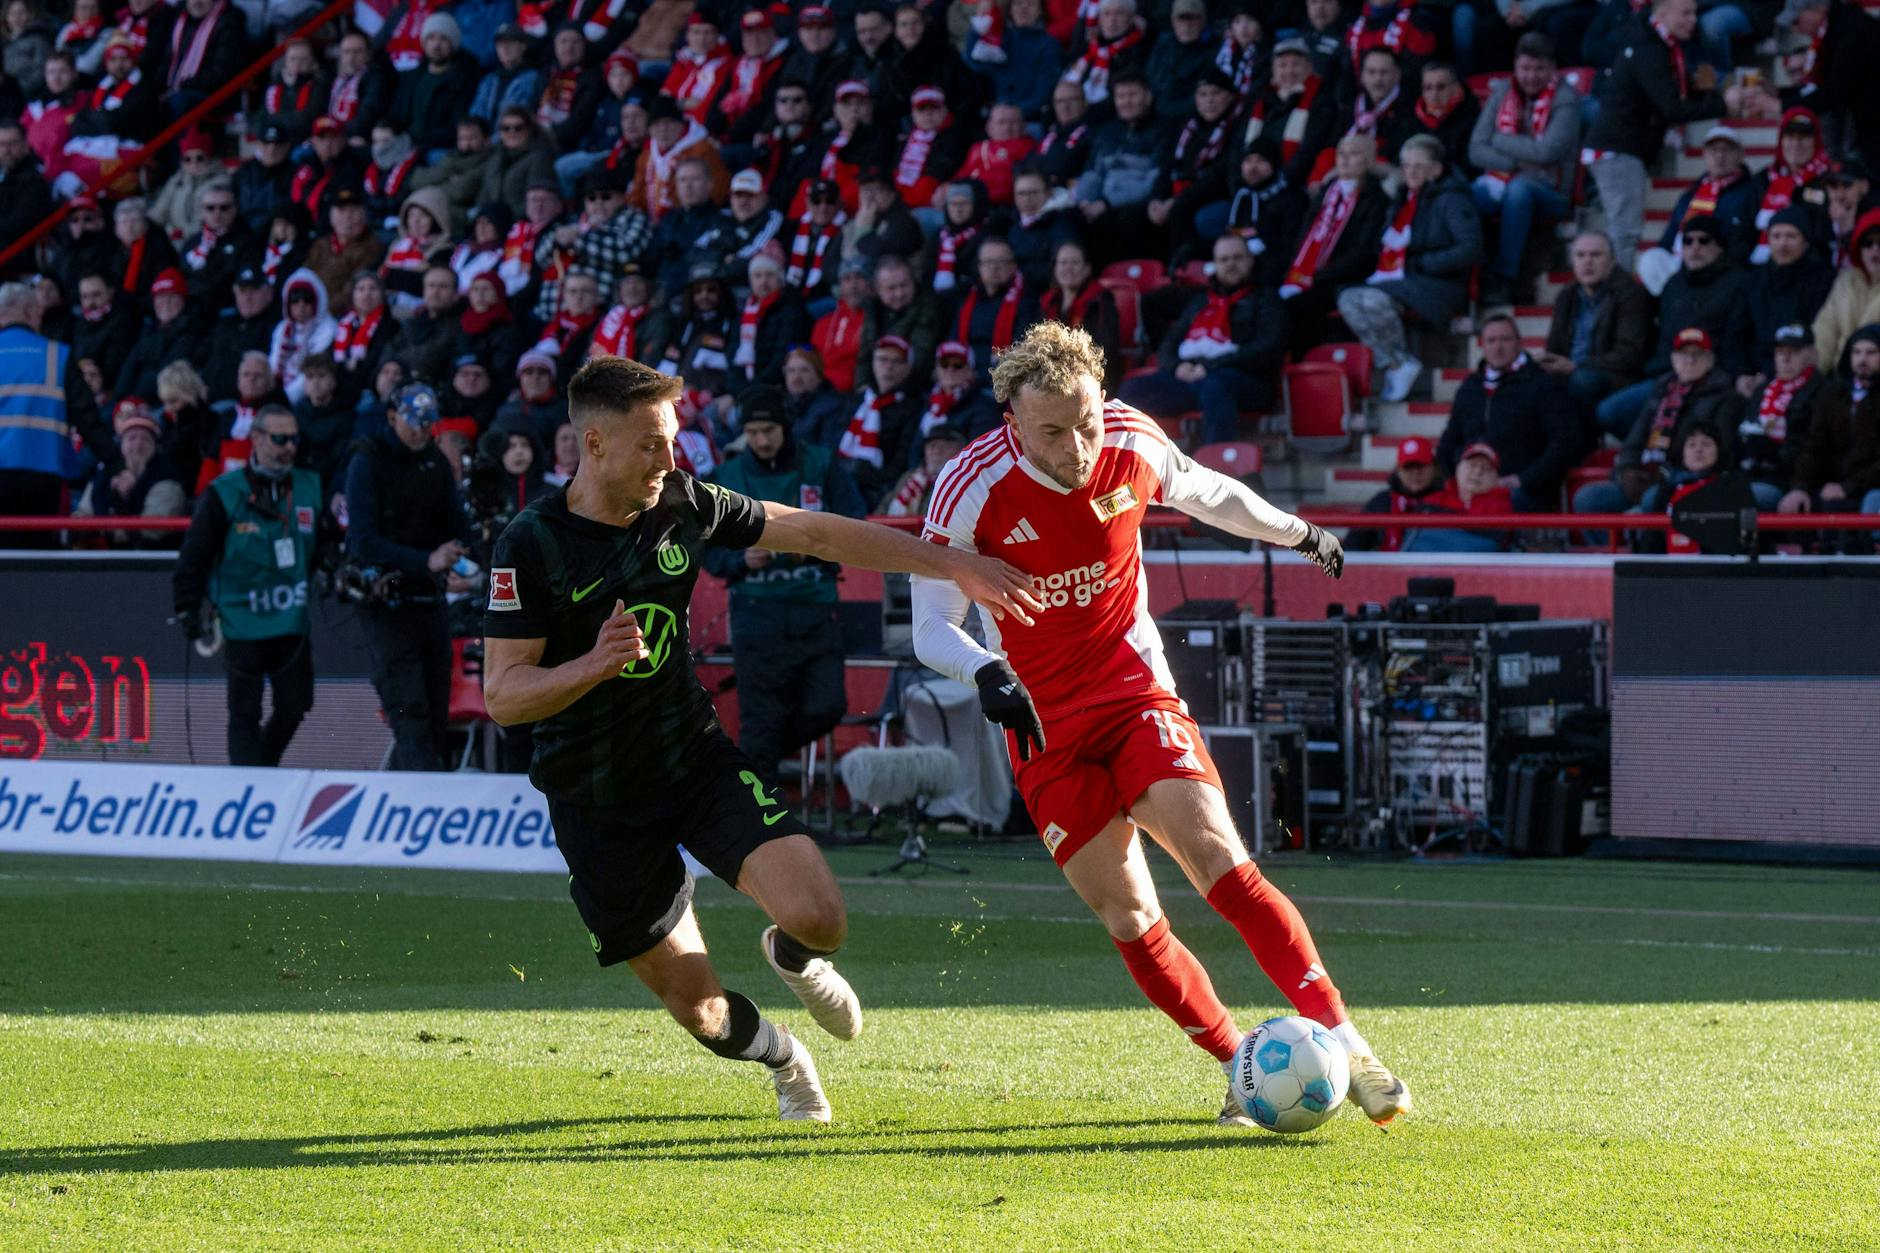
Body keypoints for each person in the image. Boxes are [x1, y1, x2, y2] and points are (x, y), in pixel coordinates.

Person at [479, 354, 1041, 1123]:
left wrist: (951, 563)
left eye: (673, 440)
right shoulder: (531, 541)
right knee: (698, 1008)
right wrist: (593, 664)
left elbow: (809, 530)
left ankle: (794, 955)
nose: (669, 460)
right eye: (651, 444)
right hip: (595, 796)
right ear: (595, 442)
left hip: (693, 761)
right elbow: (505, 697)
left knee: (821, 914)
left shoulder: (682, 502)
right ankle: (785, 1056)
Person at [909, 321, 1409, 1129]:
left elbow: (1208, 492)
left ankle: (1351, 1045)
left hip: (1133, 691)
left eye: (1086, 421)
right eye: (1052, 432)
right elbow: (932, 623)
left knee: (1221, 860)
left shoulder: (1131, 441)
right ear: (1012, 422)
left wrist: (1298, 531)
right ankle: (1239, 1068)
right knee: (1131, 917)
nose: (1076, 445)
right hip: (1042, 725)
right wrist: (986, 670)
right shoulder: (969, 485)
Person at [704, 386, 866, 787]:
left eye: (768, 430)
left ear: (785, 427)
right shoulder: (726, 477)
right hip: (756, 616)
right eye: (753, 432)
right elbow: (704, 549)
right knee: (761, 721)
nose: (761, 440)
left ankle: (743, 769)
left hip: (816, 610)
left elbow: (856, 522)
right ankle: (764, 821)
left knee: (828, 706)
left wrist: (814, 550)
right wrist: (741, 560)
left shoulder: (822, 465)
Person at [172, 405, 327, 766]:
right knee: (244, 712)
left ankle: (262, 768)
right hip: (242, 620)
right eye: (279, 439)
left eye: (293, 438)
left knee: (296, 704)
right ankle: (246, 782)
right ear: (255, 439)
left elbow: (326, 541)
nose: (288, 446)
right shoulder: (224, 493)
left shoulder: (309, 485)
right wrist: (187, 606)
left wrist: (332, 565)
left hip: (290, 620)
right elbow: (193, 557)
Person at [345, 382, 476, 771]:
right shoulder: (367, 461)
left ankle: (418, 794)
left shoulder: (434, 461)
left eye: (428, 424)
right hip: (387, 602)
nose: (422, 431)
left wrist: (462, 551)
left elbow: (458, 523)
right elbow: (363, 541)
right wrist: (426, 560)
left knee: (437, 710)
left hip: (429, 600)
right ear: (391, 418)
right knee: (410, 710)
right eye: (414, 423)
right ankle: (422, 794)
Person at [1580, 0, 1768, 269]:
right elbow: (1672, 107)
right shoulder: (1650, 49)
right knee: (1626, 233)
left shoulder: (1662, 43)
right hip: (1617, 150)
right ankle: (1615, 298)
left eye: (1693, 12)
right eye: (1686, 13)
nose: (1693, 19)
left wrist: (1726, 85)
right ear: (1663, 12)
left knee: (1625, 231)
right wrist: (1724, 103)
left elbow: (1687, 82)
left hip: (1623, 149)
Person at [1335, 134, 1484, 402]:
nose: (1410, 172)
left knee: (1367, 299)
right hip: (1403, 280)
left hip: (1439, 284)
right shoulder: (1402, 199)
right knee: (1347, 297)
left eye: (1418, 166)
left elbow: (1469, 248)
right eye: (1406, 166)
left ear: (1436, 170)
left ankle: (1400, 364)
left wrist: (1423, 263)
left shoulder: (1452, 200)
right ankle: (1396, 363)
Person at [1120, 234, 1286, 444]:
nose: (1231, 264)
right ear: (1215, 264)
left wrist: (1211, 367)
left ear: (1250, 260)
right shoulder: (1200, 300)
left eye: (1237, 258)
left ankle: (1219, 467)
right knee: (1132, 390)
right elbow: (1169, 345)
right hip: (1194, 380)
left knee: (1216, 386)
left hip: (1244, 380)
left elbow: (1267, 348)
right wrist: (1178, 367)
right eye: (1224, 260)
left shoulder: (1267, 298)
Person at [1575, 327, 1746, 514]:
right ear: (1673, 359)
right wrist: (1627, 472)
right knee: (1588, 498)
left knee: (1652, 498)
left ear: (1710, 360)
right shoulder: (1661, 391)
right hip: (1648, 475)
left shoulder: (1726, 398)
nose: (1690, 361)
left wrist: (1663, 476)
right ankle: (1619, 543)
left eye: (1698, 354)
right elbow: (1635, 440)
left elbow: (1716, 451)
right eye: (1683, 354)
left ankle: (1650, 541)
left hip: (1687, 478)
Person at [1468, 33, 1582, 306]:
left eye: (1539, 69)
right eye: (1525, 69)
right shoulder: (1502, 92)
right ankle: (1470, 274)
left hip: (1551, 191)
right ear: (1515, 67)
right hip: (1502, 179)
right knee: (1466, 194)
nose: (1531, 76)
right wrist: (1512, 162)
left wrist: (1498, 140)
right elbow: (1475, 150)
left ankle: (1504, 278)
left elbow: (1547, 153)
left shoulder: (1566, 99)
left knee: (1518, 191)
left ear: (1553, 68)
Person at [1438, 312, 1582, 510]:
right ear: (1483, 346)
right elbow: (1449, 441)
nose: (1498, 347)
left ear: (1519, 343)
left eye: (1505, 339)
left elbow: (1565, 442)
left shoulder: (1543, 384)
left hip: (1521, 489)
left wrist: (1522, 480)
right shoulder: (1470, 387)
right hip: (1469, 484)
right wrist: (1456, 476)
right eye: (1491, 340)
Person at [1536, 231, 1655, 427]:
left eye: (1595, 255)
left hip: (1616, 376)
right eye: (1581, 255)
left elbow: (1629, 355)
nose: (1587, 262)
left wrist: (1577, 365)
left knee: (1582, 380)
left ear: (1612, 261)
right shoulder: (1566, 296)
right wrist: (1545, 360)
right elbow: (1555, 346)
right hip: (1572, 370)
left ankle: (1586, 446)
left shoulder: (1630, 294)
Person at [1782, 326, 1880, 516]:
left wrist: (1848, 488)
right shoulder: (1833, 394)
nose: (1862, 359)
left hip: (1869, 486)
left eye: (1871, 353)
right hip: (1833, 484)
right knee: (1797, 504)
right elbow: (1814, 445)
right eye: (1857, 352)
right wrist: (1799, 488)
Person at [1738, 325, 1824, 509]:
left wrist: (1774, 453)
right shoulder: (1763, 391)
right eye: (1780, 352)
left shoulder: (1823, 391)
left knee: (1738, 500)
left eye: (1794, 351)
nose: (1785, 358)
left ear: (1812, 354)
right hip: (1750, 473)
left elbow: (1815, 446)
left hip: (1788, 480)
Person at [1345, 435, 1447, 551]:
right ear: (1398, 470)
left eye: (1421, 466)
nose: (1415, 473)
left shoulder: (1447, 500)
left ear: (1433, 468)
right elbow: (1353, 544)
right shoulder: (1382, 501)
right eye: (1408, 467)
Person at [1812, 209, 1880, 370]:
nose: (1875, 249)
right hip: (1843, 377)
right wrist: (1813, 376)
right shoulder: (1845, 281)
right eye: (1868, 243)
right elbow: (1825, 331)